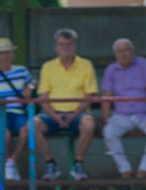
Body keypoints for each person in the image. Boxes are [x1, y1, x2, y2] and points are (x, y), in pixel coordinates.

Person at [36, 28, 100, 181]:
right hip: (53, 115)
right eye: (62, 44)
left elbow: (89, 96)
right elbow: (43, 97)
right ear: (56, 47)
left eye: (69, 44)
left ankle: (78, 164)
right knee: (32, 125)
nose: (65, 48)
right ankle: (50, 163)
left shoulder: (86, 65)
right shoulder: (48, 67)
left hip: (79, 115)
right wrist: (56, 117)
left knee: (89, 123)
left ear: (74, 46)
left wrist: (73, 115)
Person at [100, 36, 146, 178]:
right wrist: (105, 120)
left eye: (126, 50)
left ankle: (144, 169)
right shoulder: (111, 70)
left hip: (145, 114)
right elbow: (106, 98)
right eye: (119, 51)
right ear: (115, 54)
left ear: (133, 51)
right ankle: (125, 170)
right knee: (109, 132)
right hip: (121, 115)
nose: (123, 54)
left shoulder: (144, 64)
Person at [0, 36, 36, 184]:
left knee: (26, 132)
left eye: (7, 53)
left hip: (18, 112)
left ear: (12, 55)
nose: (4, 56)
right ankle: (8, 164)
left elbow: (34, 83)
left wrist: (29, 88)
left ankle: (12, 161)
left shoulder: (22, 71)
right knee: (5, 135)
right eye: (1, 53)